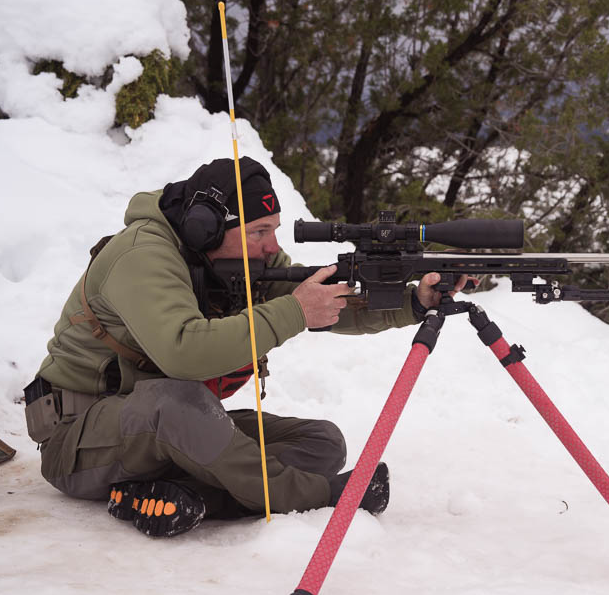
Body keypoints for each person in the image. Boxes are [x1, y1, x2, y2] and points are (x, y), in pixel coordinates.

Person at [23, 157, 475, 537]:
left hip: (165, 432)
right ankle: (320, 498)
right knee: (177, 400)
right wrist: (294, 313)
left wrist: (413, 301)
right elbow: (182, 352)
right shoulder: (142, 255)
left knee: (320, 442)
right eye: (259, 231)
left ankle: (187, 497)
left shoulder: (241, 258)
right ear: (204, 228)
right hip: (78, 441)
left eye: (273, 230)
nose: (271, 246)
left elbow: (321, 301)